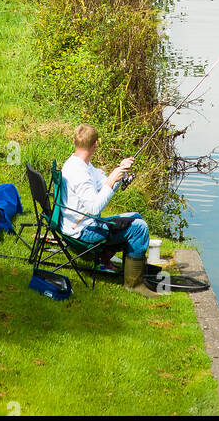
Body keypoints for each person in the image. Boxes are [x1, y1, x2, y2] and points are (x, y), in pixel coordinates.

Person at [61, 124, 155, 294]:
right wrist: (112, 180)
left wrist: (120, 172)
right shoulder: (79, 173)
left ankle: (106, 261)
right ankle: (134, 284)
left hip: (78, 223)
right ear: (96, 144)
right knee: (140, 228)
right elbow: (95, 207)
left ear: (74, 141)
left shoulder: (79, 164)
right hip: (83, 232)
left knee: (136, 216)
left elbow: (103, 184)